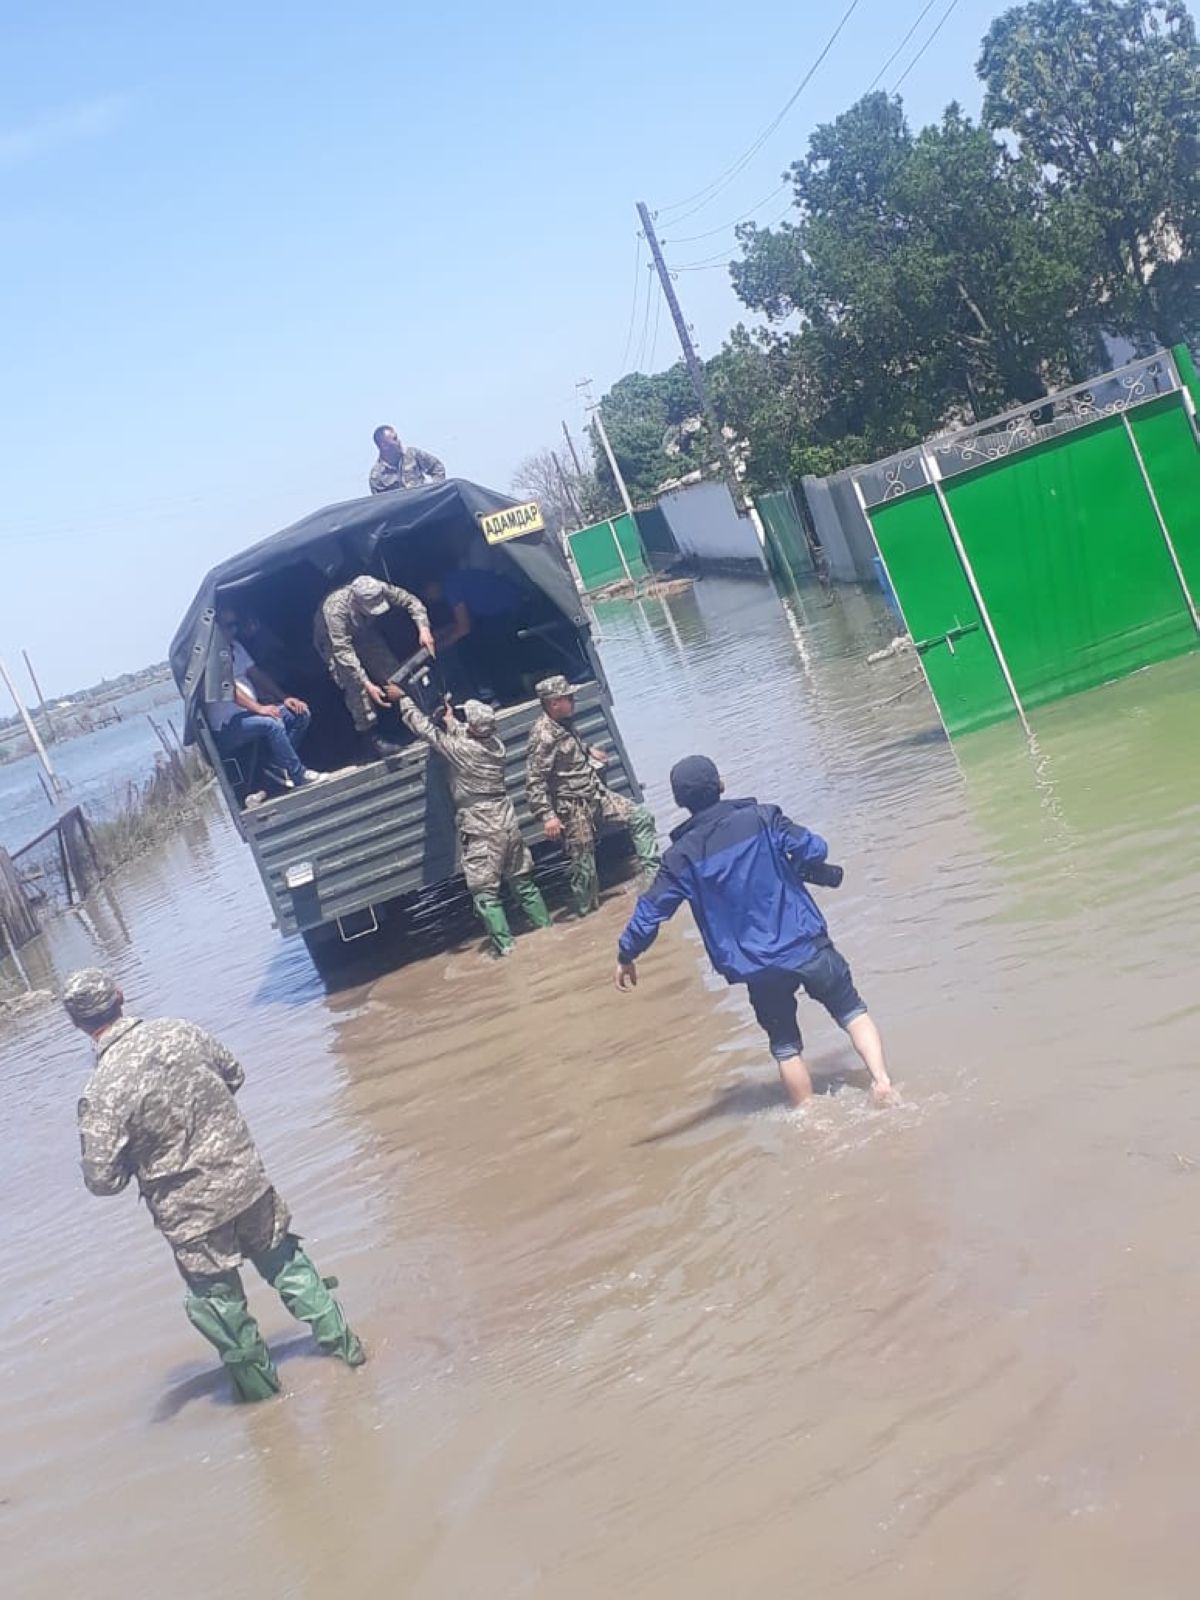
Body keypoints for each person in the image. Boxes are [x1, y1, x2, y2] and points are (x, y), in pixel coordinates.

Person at [64, 968, 365, 1404]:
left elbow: (102, 1180)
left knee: (222, 1310)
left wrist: (141, 1153)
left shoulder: (102, 1090)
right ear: (121, 996)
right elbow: (234, 1074)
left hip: (191, 1217)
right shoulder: (180, 1031)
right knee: (289, 1267)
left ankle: (266, 1410)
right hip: (246, 1181)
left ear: (77, 1023)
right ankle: (350, 1355)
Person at [614, 756, 896, 1108]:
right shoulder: (764, 818)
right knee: (852, 1012)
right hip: (807, 944)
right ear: (721, 785)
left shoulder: (680, 857)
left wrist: (626, 954)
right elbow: (815, 848)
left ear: (679, 802)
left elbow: (651, 912)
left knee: (785, 1046)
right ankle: (882, 1081)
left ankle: (811, 1117)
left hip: (759, 967)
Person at [394, 690, 551, 955]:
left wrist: (403, 699)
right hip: (507, 821)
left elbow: (424, 730)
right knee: (522, 882)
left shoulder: (461, 749)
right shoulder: (495, 746)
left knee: (484, 893)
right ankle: (547, 930)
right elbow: (466, 735)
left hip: (481, 826)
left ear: (474, 726)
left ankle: (507, 949)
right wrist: (450, 720)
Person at [525, 675, 659, 916]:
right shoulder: (542, 736)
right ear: (554, 703)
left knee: (641, 816)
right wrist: (547, 816)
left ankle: (654, 878)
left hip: (595, 794)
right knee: (584, 866)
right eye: (568, 697)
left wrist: (588, 750)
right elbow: (535, 781)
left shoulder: (565, 722)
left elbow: (569, 746)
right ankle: (588, 913)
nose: (573, 700)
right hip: (571, 806)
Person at [207, 609, 326, 802]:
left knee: (299, 714)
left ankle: (278, 767)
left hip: (250, 714)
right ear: (216, 628)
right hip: (229, 724)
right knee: (272, 724)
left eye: (235, 624)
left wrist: (285, 698)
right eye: (228, 626)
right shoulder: (211, 658)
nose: (234, 630)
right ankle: (298, 775)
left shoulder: (236, 647)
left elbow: (256, 674)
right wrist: (260, 709)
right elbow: (229, 690)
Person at [313, 574, 436, 758]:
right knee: (355, 686)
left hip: (364, 633)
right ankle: (372, 739)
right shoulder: (335, 609)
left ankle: (417, 717)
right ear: (356, 600)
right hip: (334, 643)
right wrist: (367, 683)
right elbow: (343, 650)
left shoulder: (380, 588)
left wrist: (424, 629)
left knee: (393, 673)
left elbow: (411, 601)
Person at [422, 566, 531, 702]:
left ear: (431, 586)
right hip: (512, 605)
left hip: (512, 610)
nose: (429, 598)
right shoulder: (457, 577)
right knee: (479, 636)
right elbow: (467, 621)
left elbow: (464, 628)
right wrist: (439, 634)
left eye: (426, 593)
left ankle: (508, 694)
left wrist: (438, 647)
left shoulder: (451, 586)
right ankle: (497, 690)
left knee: (484, 645)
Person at [368, 424, 446, 494]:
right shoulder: (376, 476)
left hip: (426, 504)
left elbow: (437, 467)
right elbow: (382, 504)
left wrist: (434, 490)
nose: (399, 441)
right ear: (384, 445)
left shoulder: (412, 454)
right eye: (394, 439)